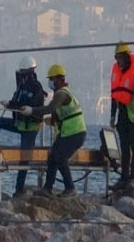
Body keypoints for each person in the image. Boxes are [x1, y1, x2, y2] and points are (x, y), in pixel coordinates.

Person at [0, 56, 46, 196]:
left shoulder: (37, 88)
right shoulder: (22, 87)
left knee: (25, 159)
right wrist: (9, 104)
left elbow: (31, 104)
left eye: (22, 72)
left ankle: (18, 189)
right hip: (20, 125)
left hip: (30, 129)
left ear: (28, 71)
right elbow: (17, 102)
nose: (20, 75)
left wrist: (13, 105)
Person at [20, 64, 87, 198]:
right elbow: (57, 116)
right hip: (67, 133)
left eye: (52, 79)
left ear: (59, 79)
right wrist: (49, 121)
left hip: (75, 133)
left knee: (60, 157)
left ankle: (70, 188)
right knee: (53, 157)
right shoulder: (60, 94)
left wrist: (32, 110)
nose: (50, 82)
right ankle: (47, 188)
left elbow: (50, 108)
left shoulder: (62, 94)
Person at [109, 41, 134, 189]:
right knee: (124, 149)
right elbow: (114, 96)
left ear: (127, 57)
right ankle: (124, 178)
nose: (118, 61)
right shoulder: (116, 75)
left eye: (120, 57)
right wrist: (112, 116)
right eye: (116, 58)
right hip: (122, 117)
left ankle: (132, 177)